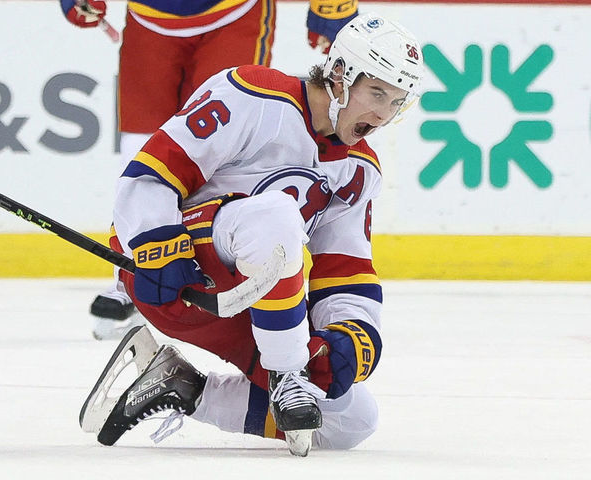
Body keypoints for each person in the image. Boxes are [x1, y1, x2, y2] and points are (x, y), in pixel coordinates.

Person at [79, 13, 424, 456]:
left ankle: (183, 386)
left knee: (350, 421)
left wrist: (353, 334)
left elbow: (347, 270)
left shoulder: (360, 170)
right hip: (172, 274)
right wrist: (155, 244)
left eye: (397, 102)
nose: (383, 114)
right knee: (277, 219)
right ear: (340, 75)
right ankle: (287, 377)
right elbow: (151, 173)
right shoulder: (252, 93)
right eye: (377, 92)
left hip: (257, 307)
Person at [59, 0, 360, 340]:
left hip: (234, 11)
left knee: (232, 138)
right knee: (143, 145)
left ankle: (229, 266)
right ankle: (130, 268)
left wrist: (332, 6)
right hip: (150, 13)